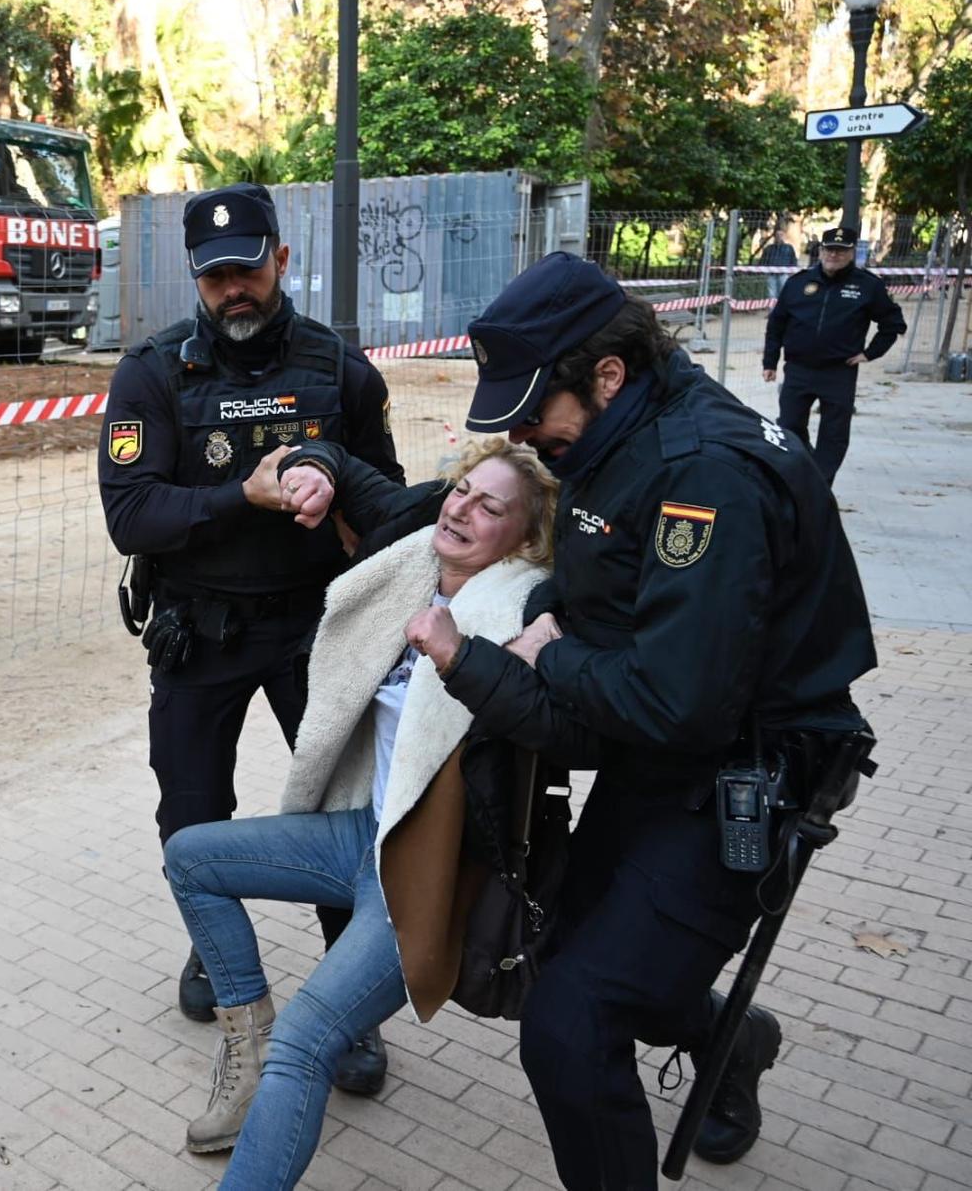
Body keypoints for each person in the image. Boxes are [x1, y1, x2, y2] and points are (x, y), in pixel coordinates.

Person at [280, 252, 878, 1188]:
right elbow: (601, 610)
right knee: (564, 947)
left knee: (571, 1021)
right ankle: (730, 1036)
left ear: (607, 373)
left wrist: (550, 652)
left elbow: (677, 700)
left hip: (735, 776)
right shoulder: (613, 436)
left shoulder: (704, 474)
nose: (520, 427)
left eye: (533, 404)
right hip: (659, 760)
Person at [165, 439, 560, 1182]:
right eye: (462, 490)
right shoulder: (408, 565)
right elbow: (345, 466)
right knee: (191, 857)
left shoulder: (529, 613)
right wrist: (310, 467)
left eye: (490, 506)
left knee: (308, 1043)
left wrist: (544, 638)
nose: (463, 509)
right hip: (358, 833)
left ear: (528, 537)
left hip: (423, 868)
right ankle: (245, 1042)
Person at [98, 181, 404, 1093]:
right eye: (215, 276)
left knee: (342, 818)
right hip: (199, 632)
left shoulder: (341, 372)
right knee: (191, 810)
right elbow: (132, 514)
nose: (235, 290)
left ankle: (348, 1010)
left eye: (248, 269)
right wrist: (247, 495)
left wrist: (332, 479)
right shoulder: (153, 372)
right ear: (197, 279)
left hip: (319, 629)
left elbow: (386, 504)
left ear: (281, 258)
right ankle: (219, 957)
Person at [762, 225, 906, 485]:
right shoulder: (798, 283)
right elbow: (776, 324)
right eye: (829, 249)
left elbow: (893, 324)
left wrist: (869, 354)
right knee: (789, 427)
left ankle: (820, 485)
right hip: (798, 369)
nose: (834, 255)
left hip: (839, 371)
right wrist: (769, 362)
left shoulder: (867, 286)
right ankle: (803, 471)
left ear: (852, 252)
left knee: (834, 433)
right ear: (820, 251)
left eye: (841, 251)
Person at [756, 222, 796, 302]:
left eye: (781, 235)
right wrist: (763, 270)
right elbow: (764, 260)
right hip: (771, 274)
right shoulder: (769, 248)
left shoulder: (789, 248)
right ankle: (773, 312)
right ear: (774, 236)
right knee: (772, 295)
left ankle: (782, 312)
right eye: (777, 235)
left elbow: (793, 261)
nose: (779, 237)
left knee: (783, 294)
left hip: (784, 274)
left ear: (783, 236)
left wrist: (792, 272)